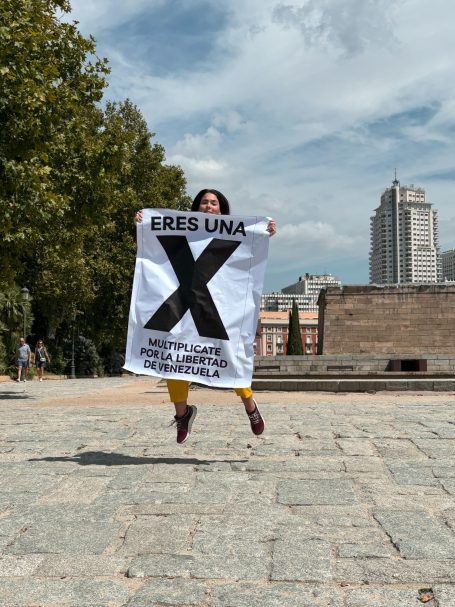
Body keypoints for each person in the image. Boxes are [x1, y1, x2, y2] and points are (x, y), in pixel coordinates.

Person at [135, 189, 277, 443]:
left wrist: (265, 231)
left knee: (230, 357)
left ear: (221, 210)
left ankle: (250, 407)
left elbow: (249, 256)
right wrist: (143, 223)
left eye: (213, 203)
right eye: (204, 202)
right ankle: (183, 415)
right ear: (196, 208)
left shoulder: (235, 234)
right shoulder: (182, 232)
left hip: (217, 309)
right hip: (183, 306)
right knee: (173, 356)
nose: (208, 206)